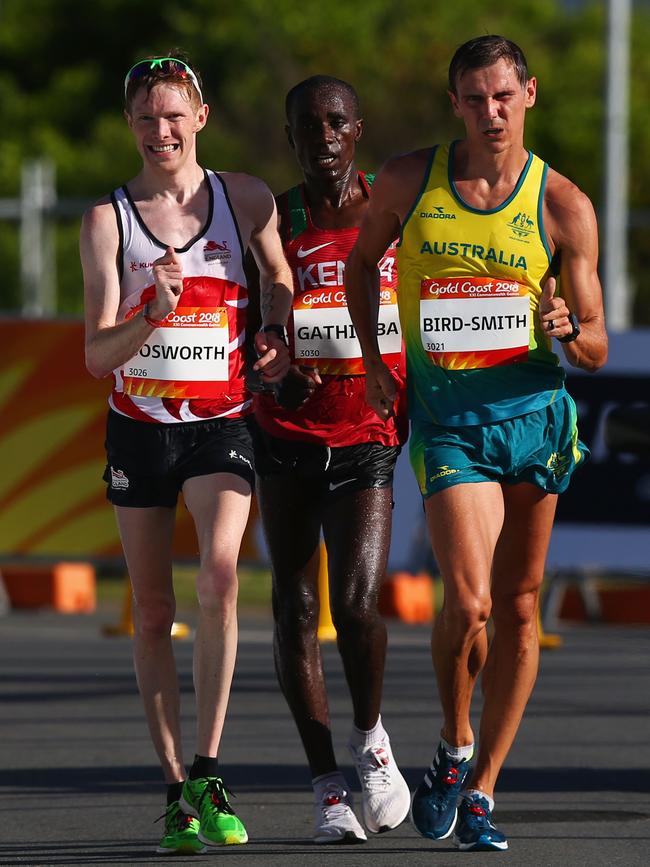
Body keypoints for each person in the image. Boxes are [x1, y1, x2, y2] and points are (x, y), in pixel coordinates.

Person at [345, 35, 607, 852]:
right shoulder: (408, 180)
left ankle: (486, 785)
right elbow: (361, 267)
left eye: (504, 96)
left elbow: (596, 342)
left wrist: (569, 327)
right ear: (454, 102)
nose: (491, 113)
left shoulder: (561, 202)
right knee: (471, 599)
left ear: (529, 93)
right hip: (452, 421)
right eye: (474, 98)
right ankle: (454, 745)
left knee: (522, 605)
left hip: (535, 418)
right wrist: (376, 360)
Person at [80, 53, 292, 855]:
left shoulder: (244, 198)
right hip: (138, 426)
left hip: (222, 420)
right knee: (152, 611)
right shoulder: (109, 221)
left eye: (174, 115)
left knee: (220, 576)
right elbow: (99, 354)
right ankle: (175, 786)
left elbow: (277, 278)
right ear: (130, 126)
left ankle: (210, 766)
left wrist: (274, 332)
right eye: (145, 117)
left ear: (199, 117)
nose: (160, 130)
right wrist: (151, 313)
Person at [251, 75, 410, 844]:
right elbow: (247, 330)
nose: (324, 135)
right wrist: (276, 357)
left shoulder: (393, 214)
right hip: (283, 434)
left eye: (337, 120)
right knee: (295, 605)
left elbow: (432, 303)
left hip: (365, 437)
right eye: (308, 124)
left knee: (355, 604)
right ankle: (325, 785)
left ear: (358, 129)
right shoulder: (271, 222)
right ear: (290, 136)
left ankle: (371, 736)